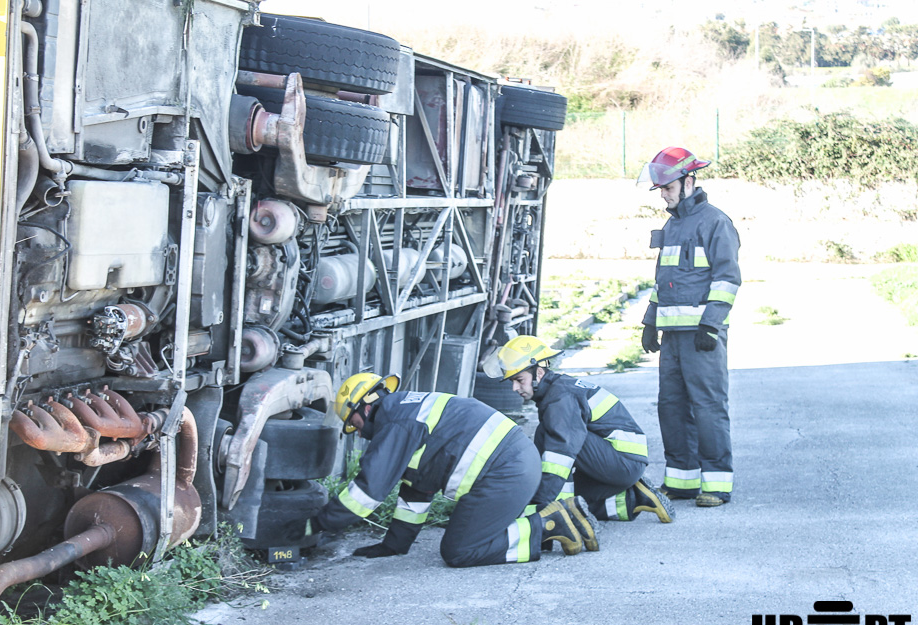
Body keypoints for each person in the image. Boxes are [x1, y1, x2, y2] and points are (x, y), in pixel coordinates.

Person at [288, 372, 600, 566]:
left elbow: (367, 492)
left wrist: (313, 525)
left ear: (366, 406)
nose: (358, 432)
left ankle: (547, 526)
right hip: (514, 465)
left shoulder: (395, 423)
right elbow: (419, 486)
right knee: (466, 538)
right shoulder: (405, 410)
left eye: (354, 423)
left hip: (507, 472)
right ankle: (555, 519)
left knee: (460, 551)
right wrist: (394, 544)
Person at [636, 146, 741, 507]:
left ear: (689, 181)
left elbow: (727, 279)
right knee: (671, 406)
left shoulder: (715, 222)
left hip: (702, 338)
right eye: (660, 190)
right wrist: (650, 321)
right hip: (672, 337)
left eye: (667, 188)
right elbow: (663, 279)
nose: (663, 195)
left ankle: (716, 484)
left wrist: (711, 325)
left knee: (708, 406)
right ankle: (681, 481)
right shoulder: (672, 224)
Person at [485, 335, 675, 524]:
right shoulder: (557, 389)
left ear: (539, 373)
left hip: (623, 461)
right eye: (511, 382)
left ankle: (565, 514)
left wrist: (541, 504)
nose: (514, 388)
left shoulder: (561, 399)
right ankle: (633, 499)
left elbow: (560, 453)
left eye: (519, 379)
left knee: (552, 440)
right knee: (579, 501)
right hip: (620, 461)